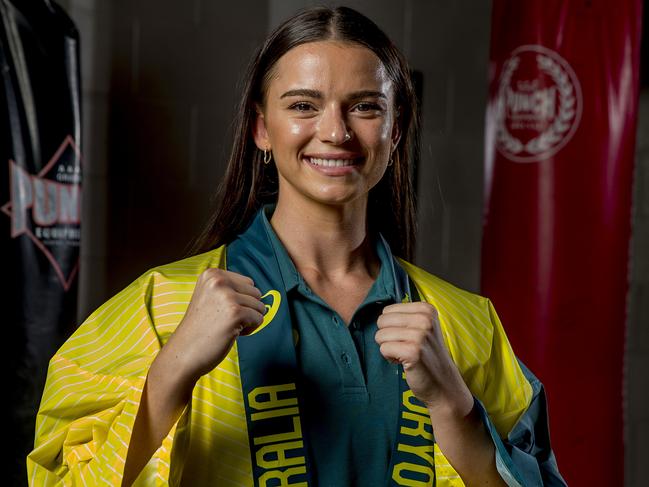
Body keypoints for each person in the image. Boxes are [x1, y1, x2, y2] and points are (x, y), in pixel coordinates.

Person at [27, 6, 565, 487]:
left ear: (395, 131)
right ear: (262, 129)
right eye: (303, 105)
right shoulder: (160, 307)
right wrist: (170, 373)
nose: (335, 132)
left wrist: (455, 407)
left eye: (365, 107)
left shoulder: (467, 323)